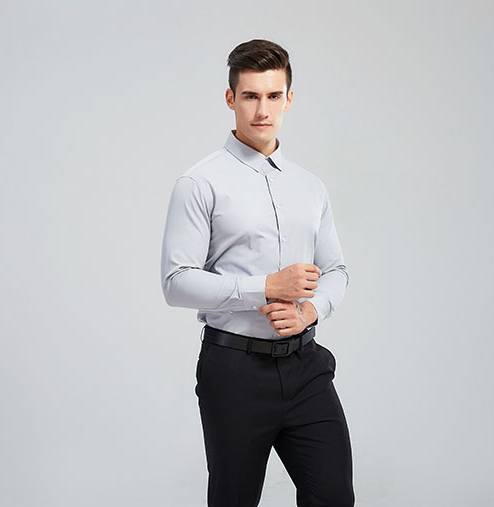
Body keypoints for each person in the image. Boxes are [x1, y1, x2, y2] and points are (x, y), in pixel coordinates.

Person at [160, 39, 354, 507]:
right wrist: (266, 287)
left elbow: (337, 270)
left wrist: (309, 311)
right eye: (250, 96)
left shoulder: (310, 186)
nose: (262, 110)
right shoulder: (200, 182)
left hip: (306, 368)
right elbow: (176, 281)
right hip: (235, 372)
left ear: (289, 98)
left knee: (333, 497)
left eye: (273, 95)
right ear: (231, 99)